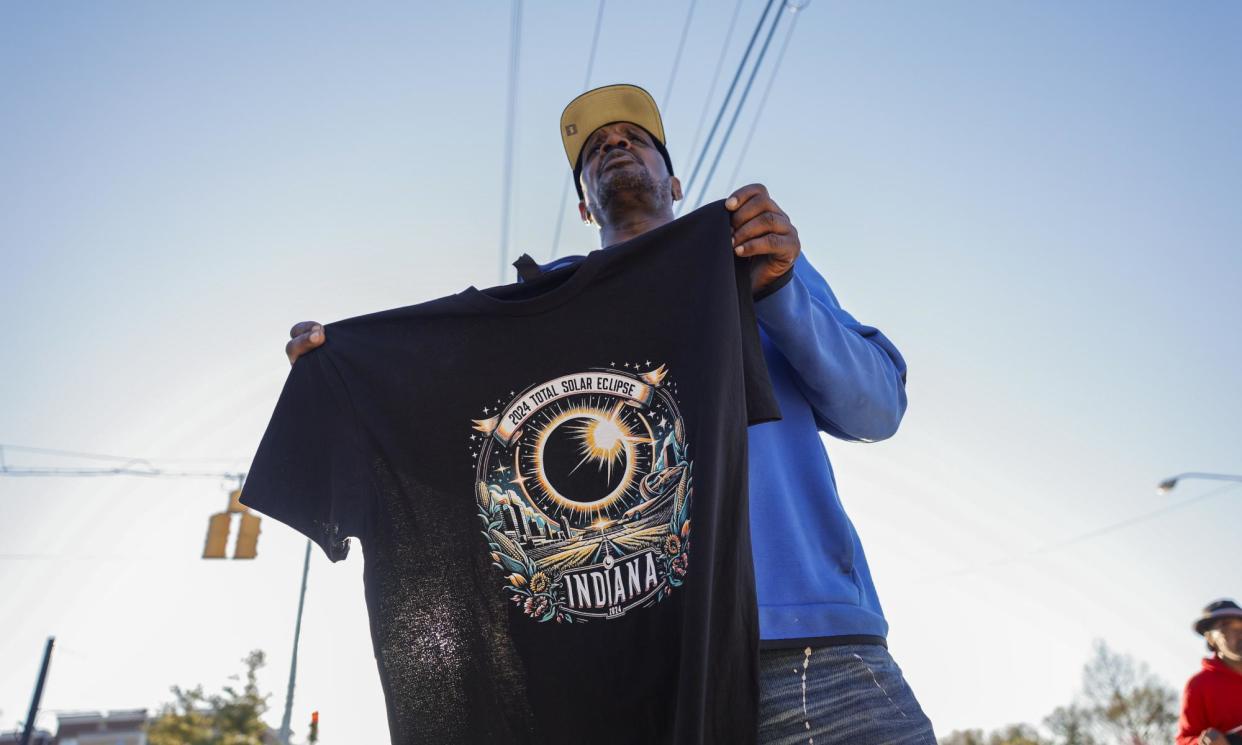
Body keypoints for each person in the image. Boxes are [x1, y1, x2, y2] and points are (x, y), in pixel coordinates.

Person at [284, 84, 933, 744]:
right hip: (636, 667)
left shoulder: (754, 258)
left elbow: (877, 408)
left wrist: (781, 292)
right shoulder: (547, 308)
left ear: (675, 182)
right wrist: (346, 365)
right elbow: (443, 409)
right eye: (595, 149)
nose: (614, 144)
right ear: (584, 204)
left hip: (807, 650)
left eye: (635, 139)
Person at [1179, 599, 1242, 745]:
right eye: (1226, 626)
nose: (1239, 632)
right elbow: (1184, 740)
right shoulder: (1199, 685)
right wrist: (1203, 743)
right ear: (1210, 639)